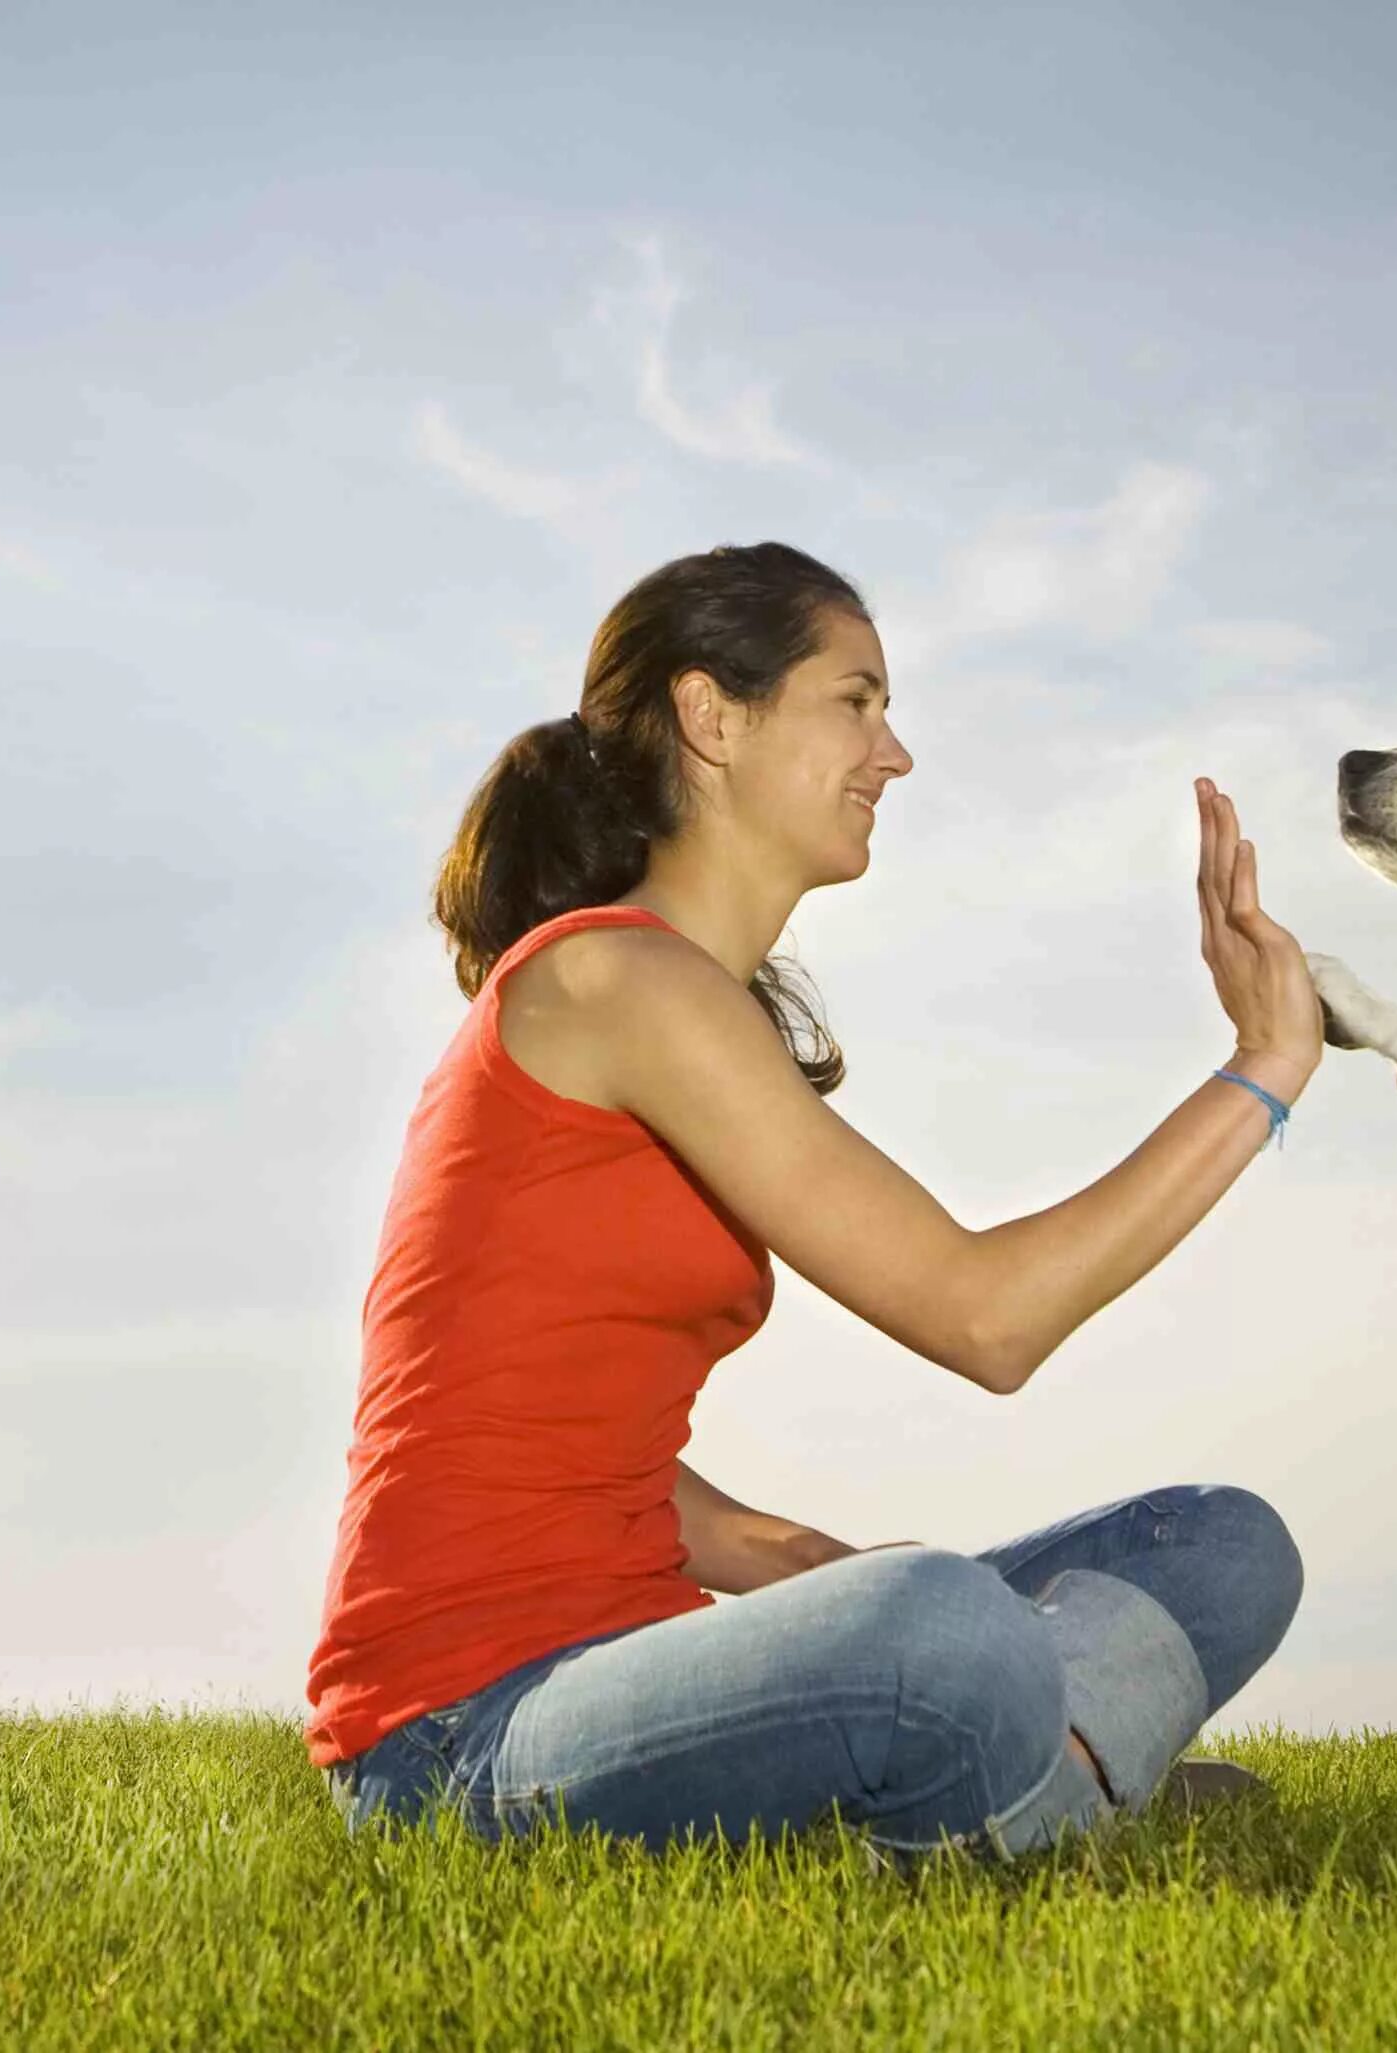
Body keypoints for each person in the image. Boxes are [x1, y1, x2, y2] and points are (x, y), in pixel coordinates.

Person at [303, 542, 1319, 1857]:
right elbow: (984, 1317)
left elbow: (573, 1436)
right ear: (710, 715)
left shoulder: (679, 1004)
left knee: (1224, 1546)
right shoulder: (612, 979)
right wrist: (1264, 1067)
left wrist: (812, 1576)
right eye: (856, 700)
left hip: (638, 1666)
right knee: (943, 1631)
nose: (892, 754)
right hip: (455, 1732)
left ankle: (1016, 1772)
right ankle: (1054, 1795)